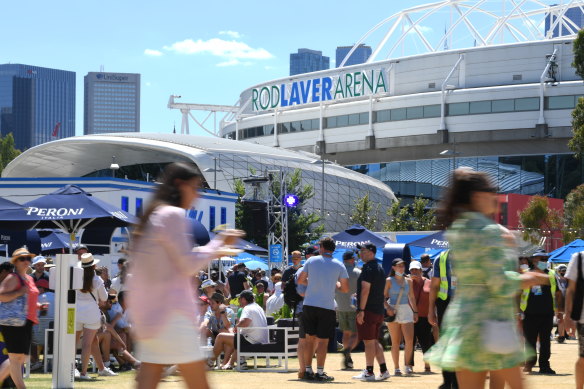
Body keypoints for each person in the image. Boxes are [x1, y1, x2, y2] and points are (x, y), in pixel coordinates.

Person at [424, 168, 549, 389]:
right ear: (477, 196)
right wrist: (531, 278)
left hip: (463, 322)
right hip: (492, 321)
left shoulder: (458, 228)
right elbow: (499, 284)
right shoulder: (490, 231)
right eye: (493, 191)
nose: (496, 196)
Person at [127, 162, 242, 389]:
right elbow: (188, 264)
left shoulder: (153, 217)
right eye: (195, 187)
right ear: (180, 185)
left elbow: (177, 261)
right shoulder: (172, 215)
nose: (198, 194)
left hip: (150, 315)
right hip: (172, 315)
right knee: (198, 383)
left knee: (148, 378)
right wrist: (219, 242)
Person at [297, 237, 349, 382]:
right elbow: (345, 288)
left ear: (322, 247)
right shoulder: (339, 265)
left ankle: (307, 370)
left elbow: (300, 280)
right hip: (327, 307)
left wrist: (313, 282)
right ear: (332, 249)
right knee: (323, 342)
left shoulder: (311, 261)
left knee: (309, 339)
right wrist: (334, 284)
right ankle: (320, 372)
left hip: (309, 304)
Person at [0, 248, 39, 389]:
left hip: (27, 322)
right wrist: (19, 292)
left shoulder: (28, 278)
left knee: (19, 358)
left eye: (28, 258)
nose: (26, 261)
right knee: (16, 359)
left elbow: (29, 299)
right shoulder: (13, 278)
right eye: (22, 259)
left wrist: (39, 306)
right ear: (15, 262)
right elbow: (1, 296)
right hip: (13, 322)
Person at [75, 253, 117, 380]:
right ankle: (83, 373)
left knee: (87, 341)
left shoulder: (77, 277)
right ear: (94, 265)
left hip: (76, 311)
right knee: (88, 343)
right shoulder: (97, 280)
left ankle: (100, 369)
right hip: (91, 313)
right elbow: (104, 299)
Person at [519, 249, 561, 374]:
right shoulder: (527, 274)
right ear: (534, 260)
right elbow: (519, 292)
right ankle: (529, 364)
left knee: (545, 341)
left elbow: (558, 293)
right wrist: (518, 311)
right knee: (529, 340)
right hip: (529, 313)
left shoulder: (552, 274)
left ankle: (544, 366)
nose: (542, 261)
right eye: (539, 259)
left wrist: (558, 310)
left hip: (547, 313)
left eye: (544, 259)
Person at [353, 243, 390, 381]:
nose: (360, 253)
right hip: (378, 310)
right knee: (373, 341)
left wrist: (361, 309)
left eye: (363, 250)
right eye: (360, 250)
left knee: (369, 342)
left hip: (368, 310)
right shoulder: (379, 267)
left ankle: (369, 372)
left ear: (371, 252)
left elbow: (365, 290)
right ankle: (384, 370)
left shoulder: (368, 268)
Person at [209, 290, 268, 370]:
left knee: (221, 336)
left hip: (252, 340)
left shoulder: (247, 308)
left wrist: (236, 328)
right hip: (260, 339)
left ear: (243, 299)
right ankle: (233, 363)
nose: (239, 301)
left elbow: (244, 322)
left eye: (239, 299)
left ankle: (210, 363)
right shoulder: (258, 307)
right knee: (233, 339)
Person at [428, 249, 458, 389]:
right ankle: (448, 382)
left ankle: (459, 382)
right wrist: (430, 311)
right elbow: (434, 286)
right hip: (445, 303)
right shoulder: (442, 258)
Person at [384, 258, 418, 376]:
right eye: (398, 266)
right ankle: (396, 368)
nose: (401, 268)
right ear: (393, 267)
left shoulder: (409, 281)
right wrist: (388, 308)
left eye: (403, 266)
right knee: (395, 342)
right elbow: (382, 297)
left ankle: (407, 365)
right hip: (393, 310)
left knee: (409, 340)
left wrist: (415, 312)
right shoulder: (389, 280)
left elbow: (412, 297)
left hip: (406, 310)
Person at [335, 249, 361, 370]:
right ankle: (347, 350)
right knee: (356, 334)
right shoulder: (357, 272)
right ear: (351, 259)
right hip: (354, 307)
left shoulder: (338, 272)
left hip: (340, 306)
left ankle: (348, 355)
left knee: (345, 333)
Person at [564, 250, 584, 389]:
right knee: (583, 359)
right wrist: (567, 315)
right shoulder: (579, 258)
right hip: (583, 318)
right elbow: (570, 290)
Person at [555, 264, 568, 343]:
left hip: (567, 301)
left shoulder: (569, 280)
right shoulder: (556, 280)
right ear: (559, 271)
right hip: (559, 301)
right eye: (562, 270)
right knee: (560, 319)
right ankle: (561, 336)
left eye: (565, 270)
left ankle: (566, 334)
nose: (564, 272)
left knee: (567, 318)